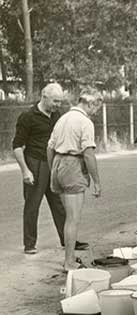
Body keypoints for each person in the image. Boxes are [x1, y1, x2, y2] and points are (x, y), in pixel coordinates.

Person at [12, 83, 88, 254]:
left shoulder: (57, 115)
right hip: (35, 164)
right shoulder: (27, 116)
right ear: (43, 96)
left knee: (60, 205)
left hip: (53, 164)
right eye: (55, 101)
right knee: (32, 205)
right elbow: (17, 146)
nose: (57, 105)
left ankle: (67, 241)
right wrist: (25, 170)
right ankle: (29, 245)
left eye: (60, 102)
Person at [47, 88, 103, 272]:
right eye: (96, 108)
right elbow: (88, 154)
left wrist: (53, 168)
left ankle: (69, 257)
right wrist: (96, 181)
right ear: (89, 103)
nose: (95, 112)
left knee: (68, 217)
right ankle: (69, 262)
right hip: (73, 164)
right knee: (73, 219)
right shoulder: (84, 122)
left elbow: (50, 147)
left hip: (57, 163)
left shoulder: (62, 118)